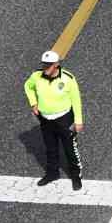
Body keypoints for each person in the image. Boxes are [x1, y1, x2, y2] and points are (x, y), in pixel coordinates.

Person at [24, 50, 83, 189]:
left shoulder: (68, 78)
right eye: (44, 65)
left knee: (70, 149)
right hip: (45, 119)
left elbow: (76, 99)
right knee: (50, 148)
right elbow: (28, 86)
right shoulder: (36, 76)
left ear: (56, 65)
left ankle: (76, 176)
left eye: (49, 65)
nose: (45, 68)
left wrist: (78, 120)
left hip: (64, 119)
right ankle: (52, 173)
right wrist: (33, 103)